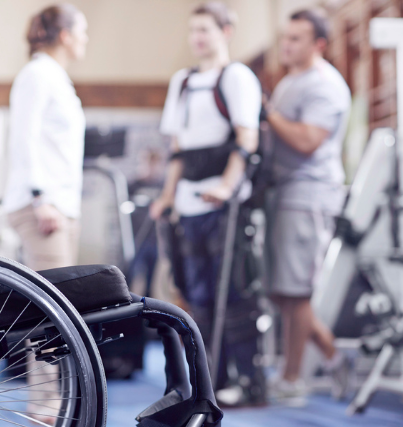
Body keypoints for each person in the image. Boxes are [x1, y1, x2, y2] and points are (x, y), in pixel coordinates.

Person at [150, 2, 265, 406]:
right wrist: (166, 197)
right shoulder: (182, 82)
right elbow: (178, 149)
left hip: (224, 203)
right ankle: (209, 380)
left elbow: (246, 139)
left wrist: (228, 186)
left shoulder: (237, 78)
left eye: (206, 29)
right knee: (196, 294)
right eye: (193, 30)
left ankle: (248, 381)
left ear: (225, 31)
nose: (198, 38)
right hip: (189, 204)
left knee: (231, 294)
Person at [2, 3, 88, 423]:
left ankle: (53, 403)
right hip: (43, 207)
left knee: (60, 310)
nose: (86, 39)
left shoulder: (55, 76)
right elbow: (24, 139)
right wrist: (41, 198)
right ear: (66, 34)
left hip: (59, 207)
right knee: (49, 310)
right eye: (83, 31)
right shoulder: (37, 74)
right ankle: (43, 407)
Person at [265, 8, 351, 405]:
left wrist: (267, 113)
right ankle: (334, 358)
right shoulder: (291, 81)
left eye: (297, 38)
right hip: (284, 193)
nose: (287, 44)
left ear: (318, 44)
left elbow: (306, 140)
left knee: (296, 292)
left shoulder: (325, 85)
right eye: (286, 37)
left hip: (309, 193)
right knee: (282, 293)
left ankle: (292, 380)